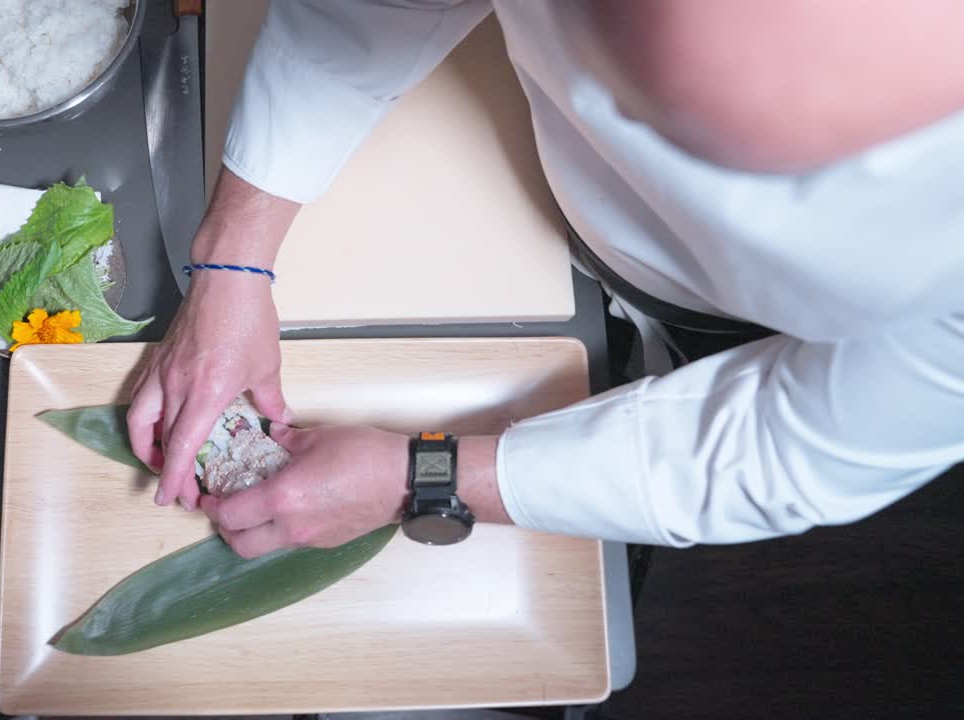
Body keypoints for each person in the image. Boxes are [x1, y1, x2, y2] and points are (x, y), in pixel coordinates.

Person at [127, 0, 964, 560]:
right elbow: (368, 10)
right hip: (543, 196)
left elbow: (789, 445)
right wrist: (234, 255)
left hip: (747, 324)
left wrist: (425, 481)